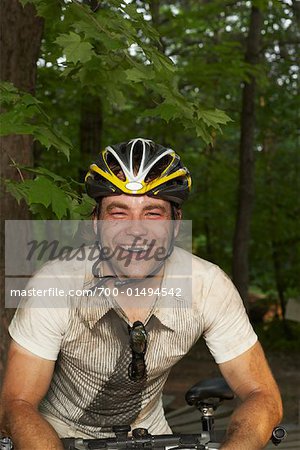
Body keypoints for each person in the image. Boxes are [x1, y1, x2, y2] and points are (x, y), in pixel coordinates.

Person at [0, 138, 282, 450]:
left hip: (151, 435)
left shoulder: (208, 285)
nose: (136, 230)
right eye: (119, 213)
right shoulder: (54, 284)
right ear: (95, 224)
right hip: (58, 435)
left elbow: (264, 396)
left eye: (152, 213)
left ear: (176, 225)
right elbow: (16, 404)